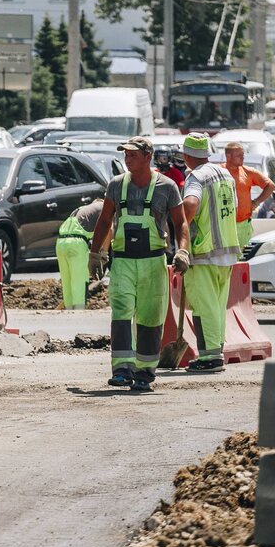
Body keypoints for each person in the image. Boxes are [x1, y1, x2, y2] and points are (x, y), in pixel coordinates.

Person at [88, 137, 189, 392]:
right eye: (125, 153)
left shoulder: (166, 187)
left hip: (153, 261)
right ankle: (122, 369)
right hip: (122, 261)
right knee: (121, 313)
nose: (127, 157)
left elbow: (181, 223)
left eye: (132, 153)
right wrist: (95, 253)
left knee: (150, 316)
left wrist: (183, 251)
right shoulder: (116, 185)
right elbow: (103, 221)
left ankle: (145, 371)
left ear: (147, 156)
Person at [179, 133, 241, 374]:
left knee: (203, 306)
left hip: (203, 250)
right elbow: (233, 207)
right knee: (216, 305)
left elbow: (191, 203)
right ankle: (217, 351)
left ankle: (210, 357)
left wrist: (181, 228)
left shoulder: (196, 176)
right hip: (226, 250)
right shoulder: (225, 173)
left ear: (186, 156)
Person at [56, 197, 108, 310]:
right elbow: (109, 230)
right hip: (77, 243)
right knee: (79, 280)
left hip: (60, 243)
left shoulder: (80, 210)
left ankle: (69, 310)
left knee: (67, 280)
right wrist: (104, 253)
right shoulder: (104, 208)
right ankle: (79, 311)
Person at [224, 142, 275, 248]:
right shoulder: (218, 171)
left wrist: (256, 202)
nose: (243, 158)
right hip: (223, 225)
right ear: (228, 156)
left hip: (243, 225)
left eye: (243, 155)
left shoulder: (248, 172)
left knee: (242, 260)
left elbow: (270, 185)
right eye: (239, 155)